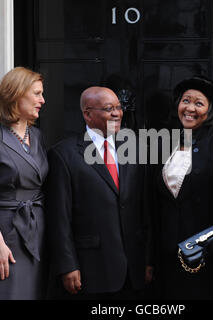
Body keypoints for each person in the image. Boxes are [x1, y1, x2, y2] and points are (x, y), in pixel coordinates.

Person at [46, 86, 151, 299]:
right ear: (88, 114)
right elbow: (60, 218)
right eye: (108, 108)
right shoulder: (64, 155)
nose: (117, 113)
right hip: (91, 270)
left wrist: (149, 258)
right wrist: (67, 265)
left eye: (119, 108)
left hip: (134, 269)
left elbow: (146, 209)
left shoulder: (136, 148)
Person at [152, 76, 213, 299]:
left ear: (210, 110)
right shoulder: (163, 141)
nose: (190, 108)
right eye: (186, 100)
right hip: (168, 251)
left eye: (199, 103)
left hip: (208, 250)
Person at [0, 67, 48, 299]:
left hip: (36, 231)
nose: (42, 100)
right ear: (15, 94)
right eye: (36, 93)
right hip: (3, 233)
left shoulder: (38, 136)